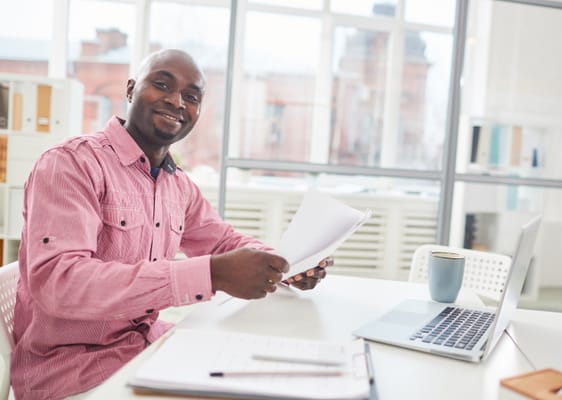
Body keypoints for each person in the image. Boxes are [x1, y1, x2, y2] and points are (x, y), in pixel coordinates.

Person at [10, 49, 328, 400]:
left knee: (267, 376)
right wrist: (210, 274)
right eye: (161, 84)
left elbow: (221, 241)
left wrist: (284, 263)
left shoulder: (176, 182)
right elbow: (60, 284)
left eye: (191, 97)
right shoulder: (71, 164)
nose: (176, 101)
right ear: (131, 90)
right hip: (72, 374)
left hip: (141, 350)